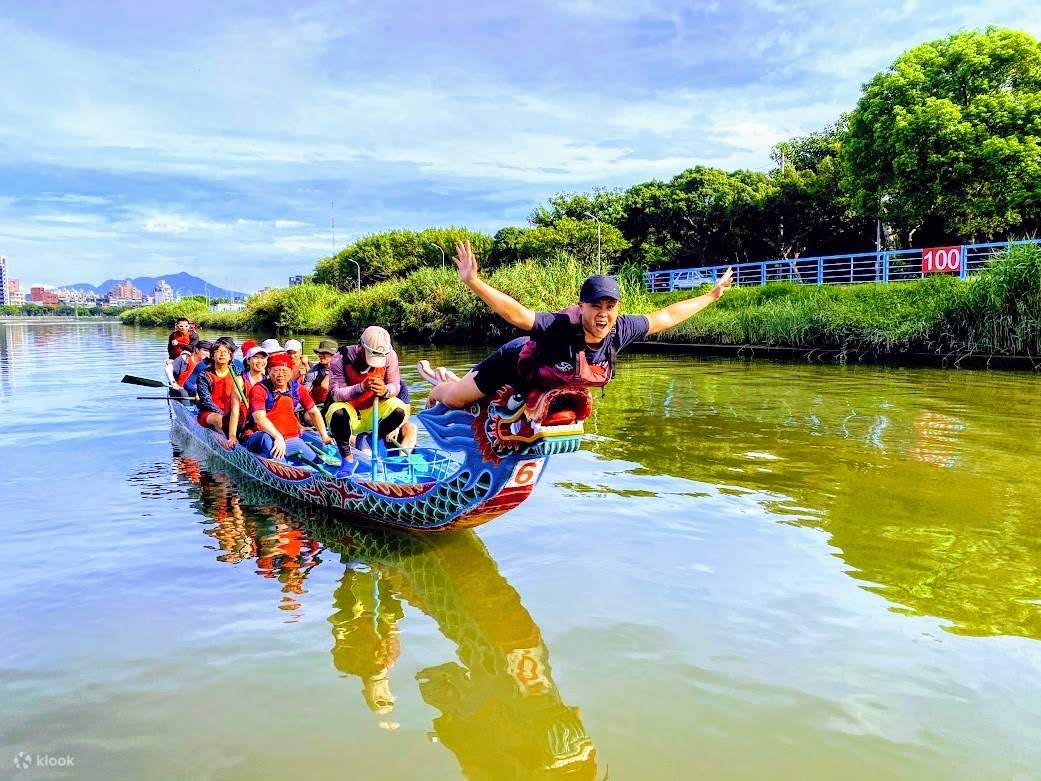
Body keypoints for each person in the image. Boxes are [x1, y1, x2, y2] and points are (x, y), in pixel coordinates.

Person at [421, 240, 734, 408]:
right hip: (513, 363)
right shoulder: (559, 327)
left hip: (543, 384)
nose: (603, 313)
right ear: (582, 306)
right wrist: (474, 282)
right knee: (456, 400)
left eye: (610, 306)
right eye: (595, 305)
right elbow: (517, 315)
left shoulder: (620, 330)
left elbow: (666, 316)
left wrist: (711, 296)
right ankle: (439, 387)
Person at [326, 326, 410, 474]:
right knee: (336, 411)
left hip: (375, 411)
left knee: (399, 408)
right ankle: (347, 459)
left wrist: (385, 390)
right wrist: (361, 387)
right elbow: (336, 393)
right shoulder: (339, 359)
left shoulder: (390, 356)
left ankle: (370, 438)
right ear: (360, 347)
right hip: (352, 412)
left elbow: (395, 385)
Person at [245, 353, 334, 461]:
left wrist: (324, 435)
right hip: (260, 436)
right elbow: (259, 418)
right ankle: (279, 465)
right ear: (269, 371)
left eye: (284, 370)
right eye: (276, 370)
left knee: (316, 460)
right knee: (267, 439)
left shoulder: (297, 389)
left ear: (291, 372)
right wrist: (278, 437)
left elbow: (314, 411)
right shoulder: (259, 389)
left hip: (290, 438)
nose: (280, 374)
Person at [196, 338, 246, 443]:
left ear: (230, 356)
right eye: (218, 351)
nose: (222, 355)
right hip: (210, 413)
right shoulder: (204, 375)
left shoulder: (238, 373)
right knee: (219, 420)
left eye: (225, 352)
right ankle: (227, 443)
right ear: (212, 356)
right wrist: (223, 414)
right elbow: (206, 401)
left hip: (233, 411)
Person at [303, 339, 337, 406]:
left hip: (337, 402)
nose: (320, 355)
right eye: (319, 353)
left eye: (324, 353)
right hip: (318, 404)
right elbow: (305, 393)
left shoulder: (343, 369)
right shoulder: (312, 372)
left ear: (333, 355)